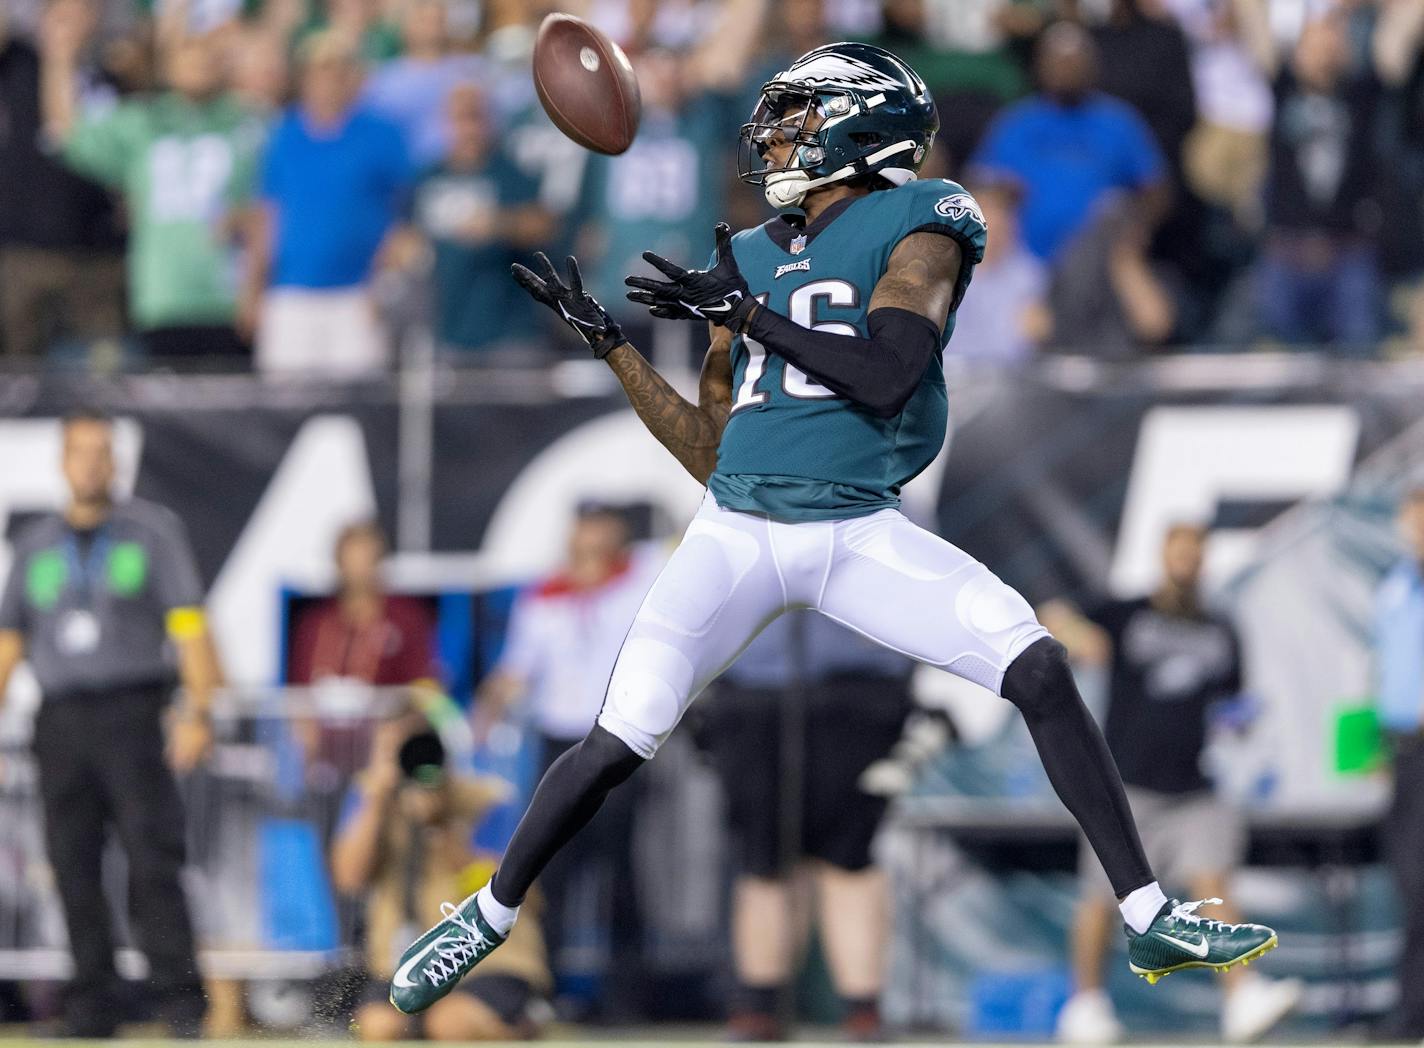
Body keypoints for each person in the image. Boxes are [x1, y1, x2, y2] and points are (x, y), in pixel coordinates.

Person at [388, 41, 1281, 1015]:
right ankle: (484, 917)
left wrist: (750, 316)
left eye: (802, 118)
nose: (778, 138)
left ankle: (1148, 914)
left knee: (1036, 664)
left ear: (861, 129)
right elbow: (709, 448)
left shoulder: (924, 218)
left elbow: (889, 368)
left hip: (856, 530)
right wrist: (612, 347)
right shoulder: (756, 253)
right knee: (618, 736)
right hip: (736, 530)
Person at [0, 409, 223, 1037]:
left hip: (132, 712)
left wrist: (199, 709)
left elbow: (189, 626)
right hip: (61, 718)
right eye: (81, 452)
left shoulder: (150, 532)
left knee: (152, 857)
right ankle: (91, 1001)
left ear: (116, 463)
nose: (92, 463)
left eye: (102, 451)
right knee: (71, 863)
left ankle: (180, 999)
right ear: (64, 463)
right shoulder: (37, 545)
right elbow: (9, 643)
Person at [1040, 524, 1301, 1043]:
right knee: (1101, 897)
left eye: (1195, 552)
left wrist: (1243, 729)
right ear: (1163, 556)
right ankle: (1085, 1003)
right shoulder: (1126, 612)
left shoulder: (1221, 627)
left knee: (1214, 880)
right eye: (1177, 550)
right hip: (1126, 786)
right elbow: (1054, 613)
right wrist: (1081, 640)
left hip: (1195, 786)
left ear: (1203, 560)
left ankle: (1241, 997)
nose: (1186, 561)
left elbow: (1234, 705)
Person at [472, 505, 659, 1011]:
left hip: (621, 738)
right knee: (551, 868)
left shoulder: (639, 579)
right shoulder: (544, 598)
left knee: (620, 870)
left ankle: (625, 994)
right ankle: (544, 987)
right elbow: (517, 668)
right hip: (563, 745)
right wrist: (484, 716)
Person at [703, 612, 910, 1042]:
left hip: (858, 693)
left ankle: (863, 1006)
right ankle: (760, 1002)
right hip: (752, 692)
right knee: (763, 861)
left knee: (850, 856)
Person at [42, 25, 264, 363]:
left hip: (230, 299)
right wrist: (59, 59)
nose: (197, 64)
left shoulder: (249, 121)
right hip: (164, 297)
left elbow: (284, 196)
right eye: (187, 54)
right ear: (167, 64)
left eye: (206, 55)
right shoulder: (142, 122)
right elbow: (66, 134)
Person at [334, 719, 551, 1041]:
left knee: (452, 1023)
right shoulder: (371, 799)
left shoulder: (486, 799)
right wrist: (378, 802)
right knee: (379, 1025)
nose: (411, 760)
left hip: (488, 960)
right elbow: (350, 878)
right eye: (396, 752)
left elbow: (530, 899)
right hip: (408, 961)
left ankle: (522, 1022)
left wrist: (446, 833)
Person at [971, 22, 1176, 353]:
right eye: (1058, 61)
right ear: (1040, 66)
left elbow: (1157, 190)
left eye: (1074, 61)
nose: (1066, 69)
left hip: (1103, 271)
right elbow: (983, 189)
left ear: (1092, 65)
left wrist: (1133, 232)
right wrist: (1005, 200)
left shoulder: (1117, 121)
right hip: (1030, 269)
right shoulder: (1018, 122)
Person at [247, 31, 410, 376]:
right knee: (285, 407)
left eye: (339, 69)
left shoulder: (382, 135)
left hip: (357, 296)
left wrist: (383, 286)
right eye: (321, 70)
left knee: (358, 405)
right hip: (291, 294)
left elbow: (404, 216)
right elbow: (269, 214)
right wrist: (254, 290)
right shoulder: (284, 135)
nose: (330, 79)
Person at [287, 519, 438, 834]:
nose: (359, 569)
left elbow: (424, 689)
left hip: (382, 763)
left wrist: (396, 740)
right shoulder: (316, 623)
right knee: (332, 851)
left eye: (367, 558)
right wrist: (306, 742)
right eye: (352, 559)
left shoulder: (406, 620)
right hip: (328, 764)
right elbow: (299, 692)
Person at [0, 0, 126, 358]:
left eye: (81, 12)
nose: (69, 25)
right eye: (60, 14)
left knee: (101, 370)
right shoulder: (17, 65)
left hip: (96, 256)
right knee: (18, 374)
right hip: (24, 252)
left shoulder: (109, 78)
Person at [404, 84, 554, 356]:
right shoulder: (428, 177)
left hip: (508, 330)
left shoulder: (511, 174)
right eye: (460, 118)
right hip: (447, 329)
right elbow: (404, 237)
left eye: (476, 117)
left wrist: (498, 224)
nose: (468, 129)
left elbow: (544, 226)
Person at [1372, 484, 1424, 1041]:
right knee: (1413, 882)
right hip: (1407, 752)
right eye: (1413, 520)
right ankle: (1413, 1008)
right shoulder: (1394, 589)